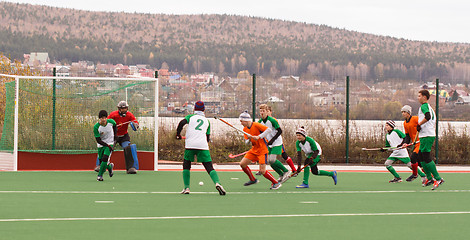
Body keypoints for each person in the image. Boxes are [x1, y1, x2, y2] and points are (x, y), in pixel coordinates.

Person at [176, 101, 226, 195]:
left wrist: (178, 134)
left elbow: (182, 123)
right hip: (202, 145)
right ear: (204, 110)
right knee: (209, 167)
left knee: (186, 165)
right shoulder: (207, 121)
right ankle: (217, 183)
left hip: (190, 145)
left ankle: (186, 188)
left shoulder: (190, 117)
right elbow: (207, 137)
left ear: (194, 109)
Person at [238, 111, 282, 190]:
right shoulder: (245, 129)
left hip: (262, 150)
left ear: (246, 120)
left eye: (241, 121)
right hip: (254, 150)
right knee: (242, 164)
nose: (241, 123)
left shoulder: (256, 124)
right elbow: (246, 142)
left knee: (262, 171)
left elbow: (268, 130)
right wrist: (249, 138)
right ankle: (252, 179)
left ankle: (276, 183)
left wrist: (259, 136)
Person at [417, 89, 444, 190]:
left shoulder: (424, 106)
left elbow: (427, 117)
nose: (418, 98)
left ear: (424, 97)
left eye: (419, 96)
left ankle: (437, 178)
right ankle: (429, 178)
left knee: (426, 156)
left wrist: (419, 124)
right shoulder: (426, 107)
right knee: (420, 156)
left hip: (427, 135)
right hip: (425, 135)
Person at [258, 104, 292, 182]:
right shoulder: (260, 122)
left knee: (272, 160)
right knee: (269, 162)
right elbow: (259, 132)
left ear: (267, 112)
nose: (262, 113)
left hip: (277, 142)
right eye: (260, 111)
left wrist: (272, 140)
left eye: (263, 111)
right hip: (269, 143)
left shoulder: (272, 120)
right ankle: (281, 174)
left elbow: (280, 131)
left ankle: (286, 171)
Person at [105, 101, 140, 174]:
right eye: (122, 109)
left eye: (125, 108)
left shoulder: (129, 115)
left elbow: (136, 123)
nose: (124, 110)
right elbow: (106, 123)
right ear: (119, 109)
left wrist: (135, 124)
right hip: (113, 135)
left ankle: (130, 168)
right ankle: (101, 165)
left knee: (128, 148)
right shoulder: (113, 115)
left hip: (124, 136)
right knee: (107, 148)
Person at [265, 105, 297, 173]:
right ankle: (262, 169)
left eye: (268, 111)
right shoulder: (263, 121)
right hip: (270, 142)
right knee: (267, 157)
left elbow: (278, 131)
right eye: (265, 111)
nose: (266, 113)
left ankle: (293, 170)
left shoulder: (273, 120)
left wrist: (272, 140)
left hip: (276, 141)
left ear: (271, 112)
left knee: (284, 155)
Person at [400, 105, 427, 183]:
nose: (403, 113)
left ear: (408, 113)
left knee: (413, 158)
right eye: (402, 112)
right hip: (415, 143)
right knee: (420, 162)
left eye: (404, 112)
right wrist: (404, 143)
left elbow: (424, 125)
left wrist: (421, 128)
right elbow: (407, 136)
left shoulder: (415, 119)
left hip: (421, 142)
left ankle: (415, 174)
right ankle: (428, 177)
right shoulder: (405, 123)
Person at [93, 110, 116, 181]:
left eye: (105, 118)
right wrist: (107, 145)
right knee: (102, 162)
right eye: (102, 118)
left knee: (105, 159)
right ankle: (109, 167)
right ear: (99, 118)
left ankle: (99, 176)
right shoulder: (96, 127)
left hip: (110, 143)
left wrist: (115, 137)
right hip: (101, 145)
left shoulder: (111, 122)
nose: (104, 119)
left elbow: (115, 127)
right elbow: (98, 140)